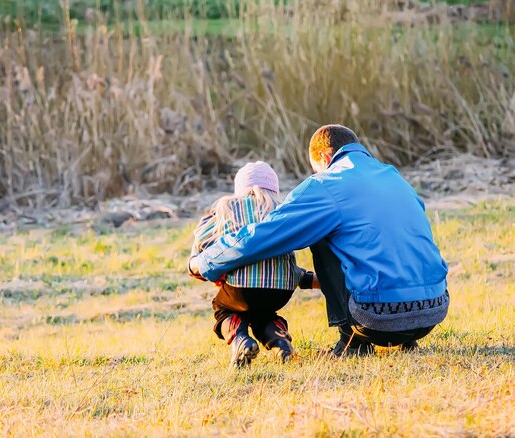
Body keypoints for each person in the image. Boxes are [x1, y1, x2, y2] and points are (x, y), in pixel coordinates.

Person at [189, 125, 449, 357]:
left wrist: (206, 261)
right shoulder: (394, 177)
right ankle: (406, 342)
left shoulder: (326, 184)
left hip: (376, 321)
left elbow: (266, 235)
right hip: (432, 312)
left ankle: (352, 343)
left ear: (324, 158)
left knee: (322, 230)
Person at [189, 161, 316, 367]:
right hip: (281, 290)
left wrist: (199, 264)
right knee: (264, 314)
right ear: (274, 188)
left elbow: (201, 238)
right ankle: (280, 343)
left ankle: (240, 339)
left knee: (223, 308)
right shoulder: (282, 208)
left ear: (239, 188)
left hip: (241, 288)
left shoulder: (226, 207)